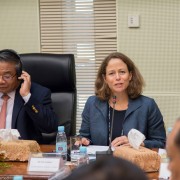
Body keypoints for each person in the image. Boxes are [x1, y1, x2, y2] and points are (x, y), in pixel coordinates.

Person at [79, 52, 166, 148]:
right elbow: (84, 136)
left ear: (130, 75)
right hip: (102, 161)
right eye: (111, 73)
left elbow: (161, 142)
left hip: (133, 162)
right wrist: (83, 140)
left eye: (122, 72)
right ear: (105, 78)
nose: (118, 77)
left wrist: (137, 143)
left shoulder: (148, 105)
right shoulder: (92, 104)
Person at [0, 49, 58, 143]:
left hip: (22, 153)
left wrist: (27, 97)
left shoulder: (37, 93)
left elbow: (49, 127)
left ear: (20, 75)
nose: (1, 81)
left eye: (7, 76)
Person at [63, 156, 148, 180]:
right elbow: (85, 135)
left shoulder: (149, 111)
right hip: (97, 162)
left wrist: (139, 142)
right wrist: (86, 139)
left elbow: (158, 141)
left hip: (131, 163)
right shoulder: (91, 111)